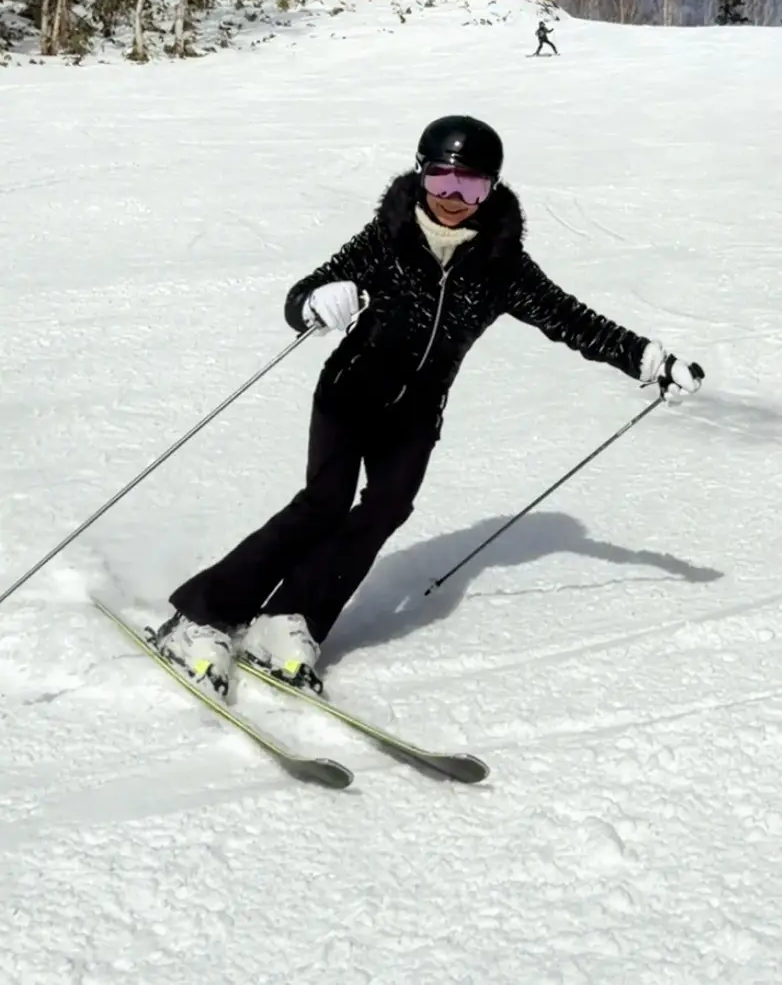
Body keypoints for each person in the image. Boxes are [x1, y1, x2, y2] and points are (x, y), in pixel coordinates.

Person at [153, 116, 703, 697]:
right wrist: (316, 300)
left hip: (415, 413)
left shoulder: (502, 263)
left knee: (387, 507)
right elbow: (304, 294)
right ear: (421, 175)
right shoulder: (387, 237)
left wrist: (645, 357)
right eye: (442, 181)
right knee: (323, 503)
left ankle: (289, 621)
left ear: (492, 189)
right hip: (349, 393)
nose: (453, 200)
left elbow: (568, 317)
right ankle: (202, 615)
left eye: (471, 187)